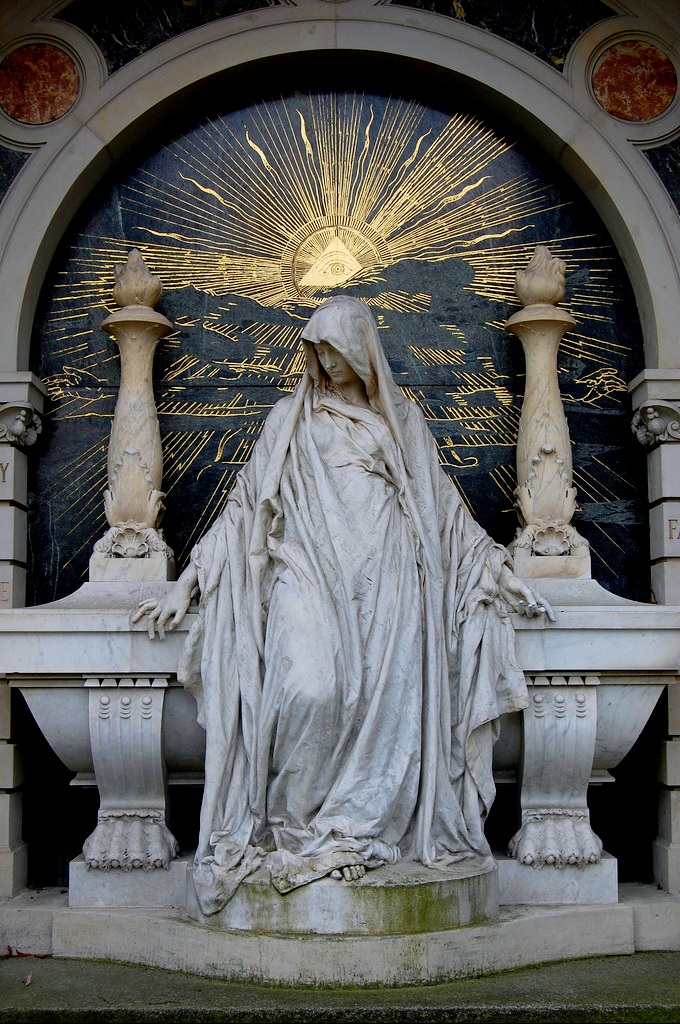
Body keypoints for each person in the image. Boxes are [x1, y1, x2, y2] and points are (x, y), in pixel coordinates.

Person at [133, 295, 554, 916]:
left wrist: (497, 571)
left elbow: (443, 514)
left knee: (382, 704)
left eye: (335, 347)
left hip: (386, 587)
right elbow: (246, 509)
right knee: (310, 688)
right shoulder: (289, 419)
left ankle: (360, 822)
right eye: (317, 348)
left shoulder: (399, 420)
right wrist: (187, 582)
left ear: (361, 349)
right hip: (305, 572)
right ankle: (293, 825)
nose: (325, 360)